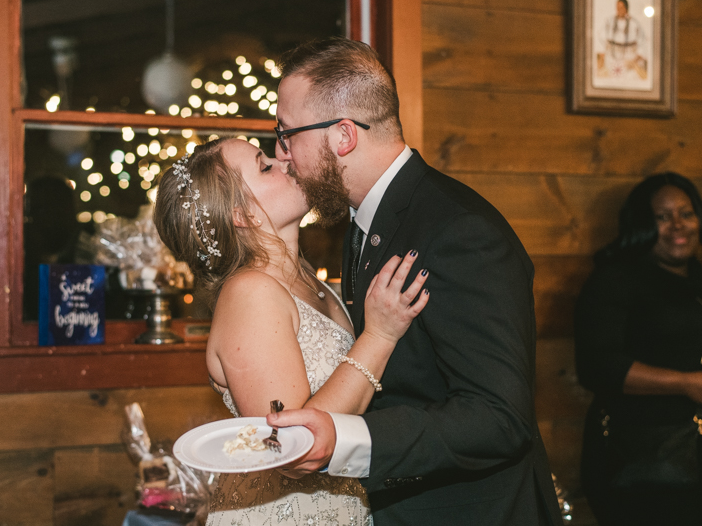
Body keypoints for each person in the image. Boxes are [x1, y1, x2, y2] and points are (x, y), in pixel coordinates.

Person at [267, 37, 562, 525]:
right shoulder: (364, 218)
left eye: (286, 133)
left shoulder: (459, 231)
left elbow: (499, 418)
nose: (282, 153)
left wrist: (348, 440)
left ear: (342, 136)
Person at [152, 138, 430, 525]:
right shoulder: (249, 293)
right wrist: (379, 335)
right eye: (264, 165)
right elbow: (290, 445)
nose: (284, 160)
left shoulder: (311, 280)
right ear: (241, 214)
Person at [574, 172, 702, 526]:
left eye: (687, 213)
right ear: (643, 224)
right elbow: (597, 366)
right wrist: (686, 383)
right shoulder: (615, 280)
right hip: (638, 459)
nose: (679, 225)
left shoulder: (697, 278)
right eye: (663, 217)